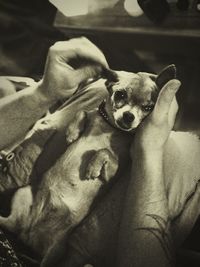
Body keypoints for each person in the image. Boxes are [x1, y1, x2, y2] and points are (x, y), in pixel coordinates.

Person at [0, 37, 198, 267]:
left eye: (144, 108)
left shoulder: (110, 115)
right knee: (193, 150)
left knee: (26, 198)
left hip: (52, 214)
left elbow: (112, 167)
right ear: (111, 89)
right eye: (122, 97)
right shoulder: (100, 103)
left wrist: (45, 92)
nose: (129, 112)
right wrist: (150, 152)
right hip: (44, 207)